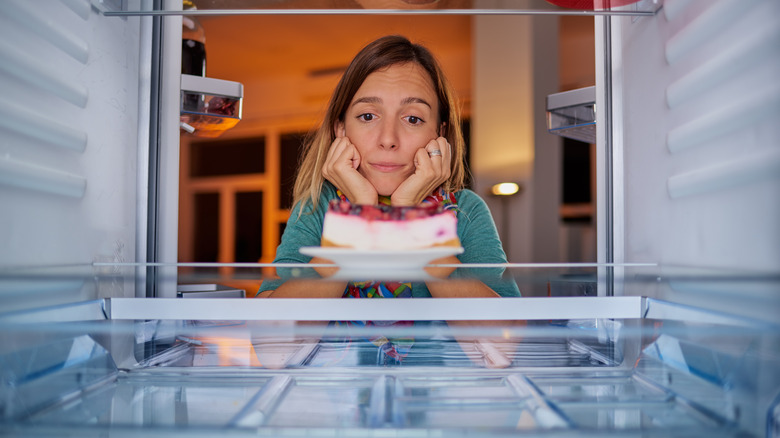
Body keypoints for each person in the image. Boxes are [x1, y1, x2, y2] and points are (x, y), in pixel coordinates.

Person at [258, 35, 519, 300]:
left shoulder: (466, 211)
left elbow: (505, 341)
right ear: (340, 129)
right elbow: (273, 340)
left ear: (439, 134)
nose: (388, 139)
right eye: (368, 116)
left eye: (413, 119)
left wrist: (411, 213)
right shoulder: (316, 207)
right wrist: (360, 213)